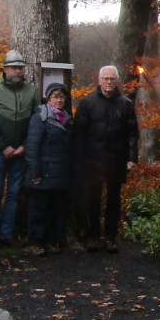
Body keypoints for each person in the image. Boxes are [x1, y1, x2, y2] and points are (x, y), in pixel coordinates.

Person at [74, 65, 139, 253]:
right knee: (92, 199)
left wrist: (132, 157)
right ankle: (93, 236)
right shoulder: (88, 103)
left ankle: (111, 237)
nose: (109, 82)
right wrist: (80, 159)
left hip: (116, 159)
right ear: (99, 80)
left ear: (117, 80)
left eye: (112, 79)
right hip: (92, 160)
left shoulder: (126, 104)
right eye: (106, 79)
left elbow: (132, 134)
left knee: (114, 200)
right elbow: (79, 133)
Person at [0, 51, 39, 245]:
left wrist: (24, 146)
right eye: (14, 67)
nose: (18, 71)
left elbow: (35, 121)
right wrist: (3, 146)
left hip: (21, 152)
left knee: (14, 194)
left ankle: (7, 235)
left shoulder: (31, 91)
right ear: (5, 69)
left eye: (20, 67)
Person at [26, 83, 75, 255]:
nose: (59, 100)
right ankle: (36, 242)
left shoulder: (67, 119)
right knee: (39, 209)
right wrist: (35, 172)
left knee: (56, 209)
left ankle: (51, 240)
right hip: (44, 170)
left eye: (62, 96)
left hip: (61, 171)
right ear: (48, 98)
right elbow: (32, 146)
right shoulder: (40, 118)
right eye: (55, 96)